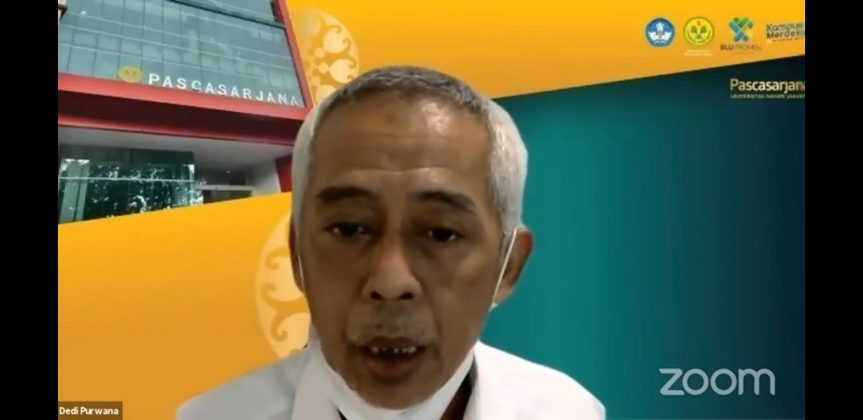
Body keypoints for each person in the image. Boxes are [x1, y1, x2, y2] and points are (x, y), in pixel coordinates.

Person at [177, 66, 605, 420]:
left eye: (441, 233)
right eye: (349, 229)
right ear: (297, 254)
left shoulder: (568, 411)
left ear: (508, 264)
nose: (390, 281)